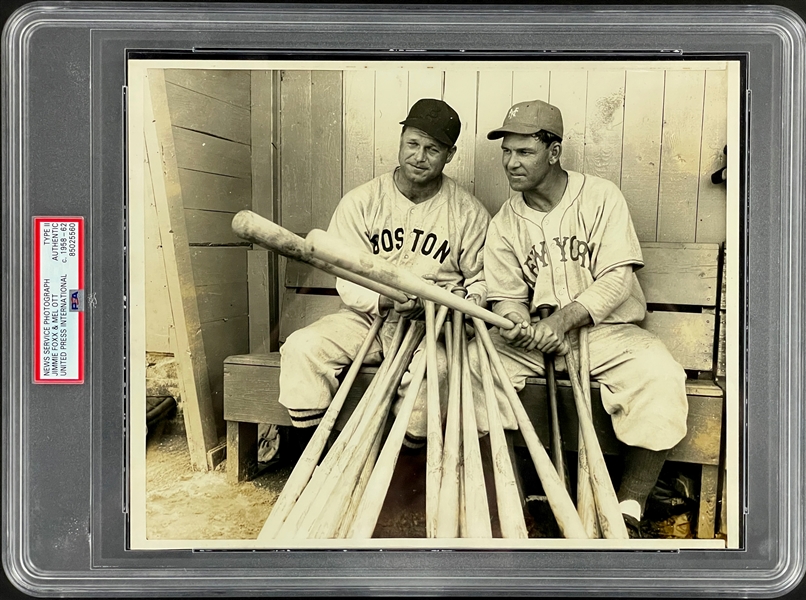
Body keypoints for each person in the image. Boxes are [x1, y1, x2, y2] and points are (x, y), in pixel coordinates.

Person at [467, 99, 689, 538]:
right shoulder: (505, 221)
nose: (511, 163)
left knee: (660, 372)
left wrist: (562, 321)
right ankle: (514, 495)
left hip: (605, 332)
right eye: (506, 152)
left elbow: (616, 279)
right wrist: (519, 323)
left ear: (554, 152)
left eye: (524, 152)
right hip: (539, 340)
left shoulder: (600, 196)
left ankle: (629, 507)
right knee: (475, 364)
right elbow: (506, 295)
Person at [275, 98, 490, 461]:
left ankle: (403, 477)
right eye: (413, 143)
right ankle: (313, 462)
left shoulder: (468, 212)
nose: (419, 156)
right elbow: (345, 275)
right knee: (302, 347)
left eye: (432, 149)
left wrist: (451, 305)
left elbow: (482, 282)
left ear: (449, 155)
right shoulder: (363, 201)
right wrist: (386, 300)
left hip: (431, 328)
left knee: (434, 370)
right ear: (401, 139)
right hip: (368, 316)